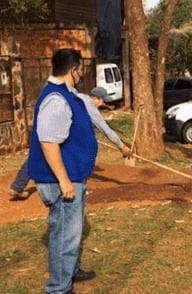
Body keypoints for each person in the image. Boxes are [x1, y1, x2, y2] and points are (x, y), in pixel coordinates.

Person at [27, 48, 99, 294]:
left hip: (71, 176)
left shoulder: (66, 94)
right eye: (80, 70)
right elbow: (48, 142)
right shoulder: (56, 99)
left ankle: (70, 271)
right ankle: (58, 288)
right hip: (61, 180)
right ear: (73, 70)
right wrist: (64, 181)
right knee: (64, 235)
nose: (81, 74)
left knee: (71, 230)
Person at [8, 86, 130, 199]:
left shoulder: (77, 96)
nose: (103, 104)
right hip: (60, 134)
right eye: (103, 101)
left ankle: (17, 187)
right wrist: (121, 146)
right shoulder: (88, 104)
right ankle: (76, 188)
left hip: (48, 127)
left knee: (37, 156)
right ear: (96, 99)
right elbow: (104, 128)